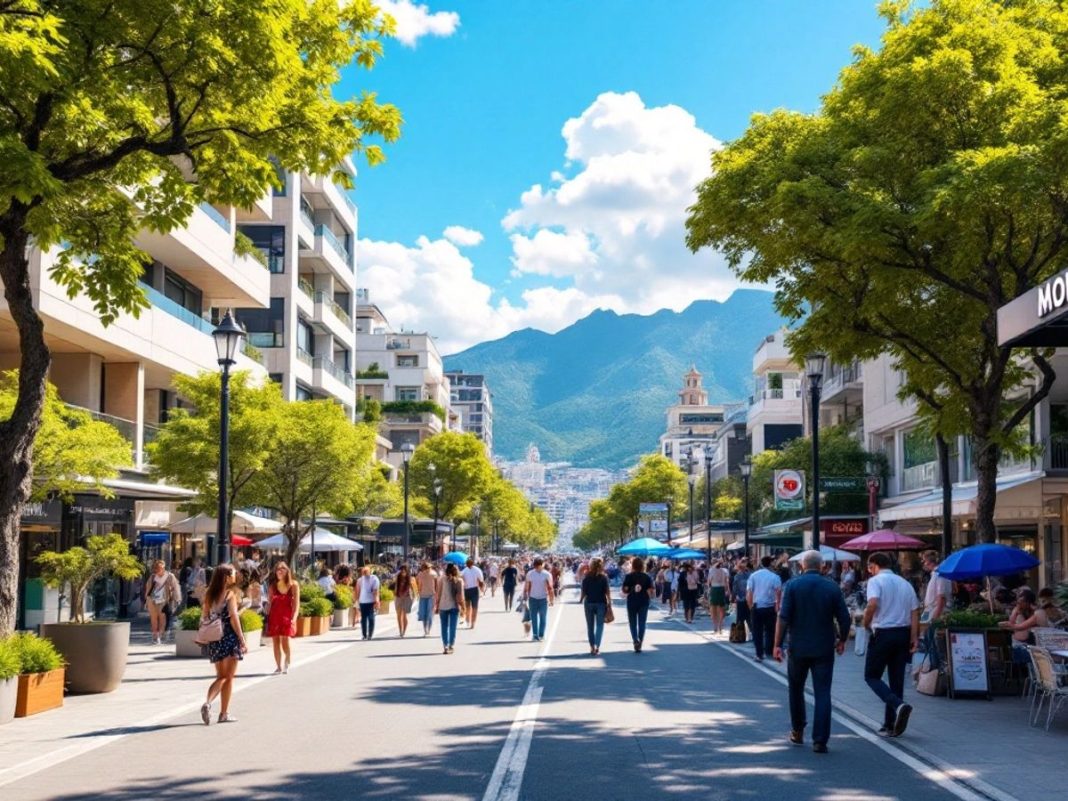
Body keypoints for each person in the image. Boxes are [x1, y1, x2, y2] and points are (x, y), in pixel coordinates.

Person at [774, 550, 851, 754]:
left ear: (801, 565)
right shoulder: (832, 587)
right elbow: (845, 618)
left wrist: (777, 645)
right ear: (822, 566)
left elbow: (783, 617)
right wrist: (842, 639)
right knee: (823, 692)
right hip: (824, 647)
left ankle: (798, 730)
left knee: (796, 689)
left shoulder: (792, 586)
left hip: (798, 646)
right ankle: (820, 740)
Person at [862, 552, 921, 738]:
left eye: (869, 567)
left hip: (883, 632)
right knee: (896, 679)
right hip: (903, 633)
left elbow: (872, 604)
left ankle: (898, 705)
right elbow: (914, 612)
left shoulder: (876, 581)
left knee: (872, 676)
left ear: (875, 565)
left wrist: (865, 623)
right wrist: (914, 637)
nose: (869, 571)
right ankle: (890, 723)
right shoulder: (905, 583)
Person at [199, 564, 247, 725]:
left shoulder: (209, 595)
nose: (235, 575)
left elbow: (205, 616)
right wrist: (241, 638)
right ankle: (210, 704)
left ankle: (223, 713)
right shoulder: (229, 594)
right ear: (226, 577)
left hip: (214, 638)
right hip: (228, 637)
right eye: (232, 573)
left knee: (222, 676)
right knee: (228, 677)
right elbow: (234, 618)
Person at [919, 551, 952, 669]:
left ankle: (936, 670)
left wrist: (935, 617)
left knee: (932, 642)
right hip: (930, 612)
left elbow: (941, 598)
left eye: (924, 560)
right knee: (928, 641)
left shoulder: (940, 574)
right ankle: (934, 668)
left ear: (929, 561)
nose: (922, 563)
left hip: (935, 613)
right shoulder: (935, 574)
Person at [747, 555, 783, 662]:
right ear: (771, 564)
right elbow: (778, 592)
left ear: (761, 564)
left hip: (757, 606)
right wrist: (777, 605)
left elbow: (749, 592)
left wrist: (750, 606)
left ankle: (759, 654)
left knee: (757, 631)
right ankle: (769, 651)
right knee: (770, 630)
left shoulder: (753, 576)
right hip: (770, 606)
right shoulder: (774, 577)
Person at [266, 561, 299, 674]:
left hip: (287, 616)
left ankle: (288, 658)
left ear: (287, 571)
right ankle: (278, 667)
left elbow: (296, 604)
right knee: (275, 641)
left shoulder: (293, 584)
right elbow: (269, 602)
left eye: (282, 568)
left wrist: (294, 619)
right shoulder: (273, 585)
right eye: (278, 569)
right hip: (274, 616)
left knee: (285, 641)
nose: (279, 570)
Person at [143, 559, 181, 645]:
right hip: (152, 601)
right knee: (153, 619)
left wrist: (177, 599)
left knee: (162, 618)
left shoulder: (169, 576)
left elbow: (176, 587)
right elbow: (148, 589)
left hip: (164, 600)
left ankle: (160, 636)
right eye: (157, 568)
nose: (158, 569)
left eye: (161, 568)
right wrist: (146, 600)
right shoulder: (152, 577)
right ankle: (155, 637)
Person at [621, 557, 655, 652]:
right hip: (644, 601)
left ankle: (635, 639)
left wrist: (630, 588)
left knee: (632, 623)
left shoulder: (629, 576)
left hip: (632, 601)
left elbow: (624, 590)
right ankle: (640, 641)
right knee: (642, 623)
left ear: (633, 565)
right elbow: (651, 590)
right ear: (643, 565)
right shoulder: (647, 577)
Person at [579, 557, 611, 655]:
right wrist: (610, 603)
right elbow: (607, 592)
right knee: (600, 625)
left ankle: (592, 646)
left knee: (590, 626)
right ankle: (597, 646)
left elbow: (584, 592)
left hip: (589, 603)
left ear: (591, 566)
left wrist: (580, 600)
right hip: (601, 603)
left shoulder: (586, 577)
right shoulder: (604, 578)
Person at [434, 562, 465, 654]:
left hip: (443, 606)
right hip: (454, 606)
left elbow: (438, 593)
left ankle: (445, 645)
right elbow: (461, 596)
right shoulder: (459, 581)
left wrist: (437, 605)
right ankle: (451, 645)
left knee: (444, 627)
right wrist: (463, 607)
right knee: (452, 627)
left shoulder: (441, 579)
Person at [524, 556, 555, 642]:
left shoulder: (547, 574)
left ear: (542, 565)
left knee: (543, 617)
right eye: (535, 566)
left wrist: (551, 599)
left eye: (538, 566)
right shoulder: (530, 574)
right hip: (532, 598)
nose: (537, 567)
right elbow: (527, 585)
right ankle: (535, 635)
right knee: (533, 617)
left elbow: (550, 588)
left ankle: (541, 635)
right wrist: (525, 594)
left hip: (543, 599)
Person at [706, 559, 731, 636]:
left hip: (714, 589)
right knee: (721, 609)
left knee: (713, 609)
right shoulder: (724, 571)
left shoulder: (712, 571)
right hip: (722, 589)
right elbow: (727, 582)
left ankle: (715, 627)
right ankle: (720, 627)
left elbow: (708, 582)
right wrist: (728, 591)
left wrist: (708, 589)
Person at [356, 566, 381, 640]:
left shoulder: (374, 579)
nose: (365, 573)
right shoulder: (360, 580)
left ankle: (369, 634)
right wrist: (357, 601)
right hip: (362, 601)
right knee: (363, 619)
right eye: (363, 572)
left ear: (370, 571)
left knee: (371, 618)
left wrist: (376, 600)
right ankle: (364, 635)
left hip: (371, 601)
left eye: (366, 572)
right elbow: (358, 591)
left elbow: (376, 591)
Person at [415, 562, 439, 637]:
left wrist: (436, 595)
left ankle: (428, 630)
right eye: (426, 568)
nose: (428, 569)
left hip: (431, 595)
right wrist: (418, 592)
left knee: (430, 614)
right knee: (424, 614)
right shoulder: (421, 575)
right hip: (423, 596)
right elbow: (418, 585)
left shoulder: (433, 574)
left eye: (428, 568)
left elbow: (436, 585)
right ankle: (426, 630)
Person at [731, 559, 752, 641]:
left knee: (740, 618)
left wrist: (732, 598)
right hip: (749, 599)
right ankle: (752, 633)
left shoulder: (737, 576)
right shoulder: (750, 575)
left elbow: (735, 589)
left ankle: (740, 636)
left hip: (740, 599)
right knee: (749, 617)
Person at [461, 558, 485, 629]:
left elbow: (481, 581)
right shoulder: (476, 570)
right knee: (472, 607)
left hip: (470, 589)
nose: (468, 565)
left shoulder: (466, 570)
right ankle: (470, 622)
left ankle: (471, 622)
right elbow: (481, 580)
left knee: (471, 607)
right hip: (472, 589)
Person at [394, 564, 415, 638]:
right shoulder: (398, 577)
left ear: (407, 571)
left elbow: (412, 589)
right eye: (401, 569)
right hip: (398, 597)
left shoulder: (410, 578)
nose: (403, 571)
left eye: (404, 570)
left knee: (404, 616)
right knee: (399, 615)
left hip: (407, 598)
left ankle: (404, 631)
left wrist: (414, 597)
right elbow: (395, 586)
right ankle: (400, 630)